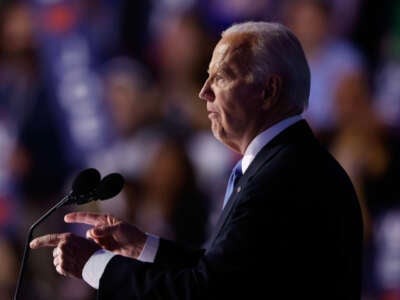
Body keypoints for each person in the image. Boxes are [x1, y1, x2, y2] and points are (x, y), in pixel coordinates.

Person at [30, 21, 363, 299]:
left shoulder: (284, 175)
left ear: (268, 91)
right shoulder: (282, 161)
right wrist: (144, 247)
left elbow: (207, 292)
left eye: (221, 77)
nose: (204, 91)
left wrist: (94, 266)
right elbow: (229, 272)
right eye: (207, 76)